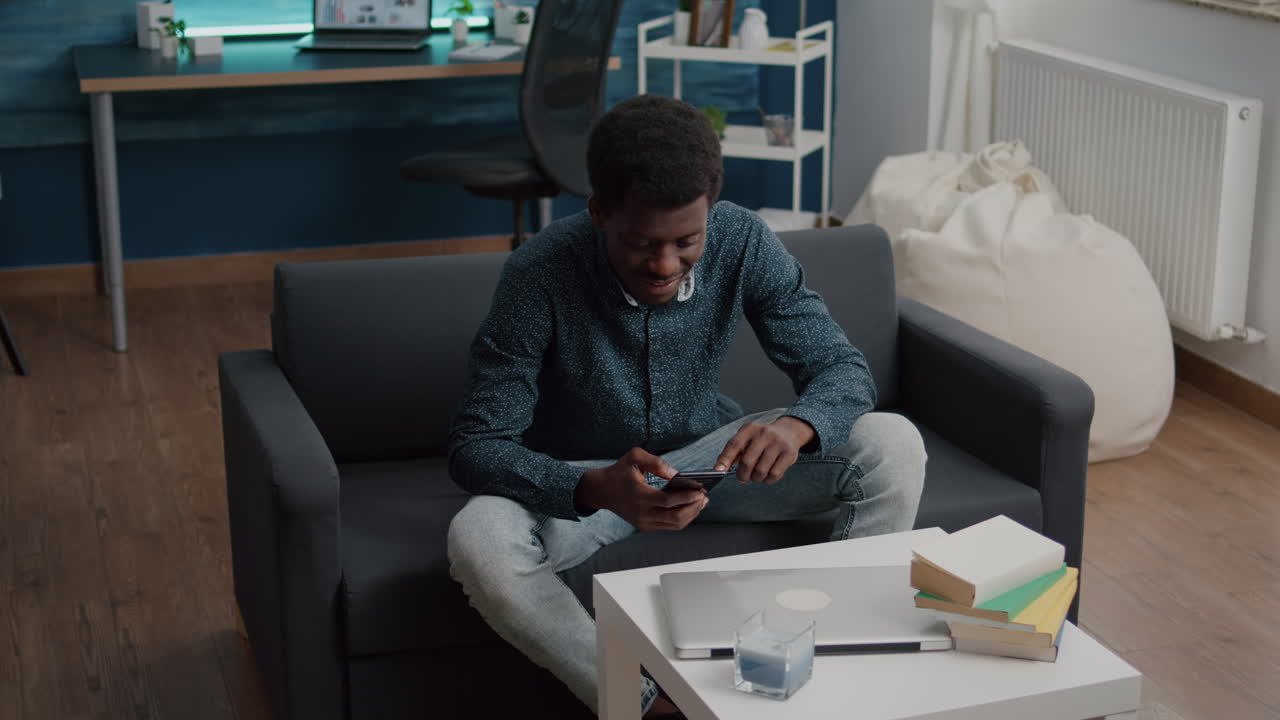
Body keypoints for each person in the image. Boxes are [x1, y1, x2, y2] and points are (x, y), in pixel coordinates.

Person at [447, 94, 926, 718]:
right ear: (598, 212)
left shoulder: (744, 240)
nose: (665, 264)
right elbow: (477, 446)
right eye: (642, 244)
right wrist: (593, 486)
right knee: (478, 536)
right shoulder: (538, 272)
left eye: (686, 241)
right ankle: (648, 707)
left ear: (711, 212)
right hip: (587, 486)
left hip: (714, 467)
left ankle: (823, 672)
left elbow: (841, 368)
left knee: (892, 443)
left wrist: (799, 425)